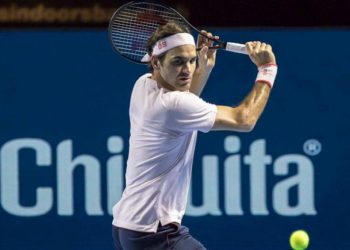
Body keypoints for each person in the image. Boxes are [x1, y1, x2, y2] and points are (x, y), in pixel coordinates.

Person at [112, 21, 277, 250]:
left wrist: (204, 68)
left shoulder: (143, 85)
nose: (188, 69)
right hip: (154, 231)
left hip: (128, 228)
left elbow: (186, 102)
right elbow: (244, 120)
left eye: (191, 60)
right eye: (178, 62)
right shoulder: (173, 105)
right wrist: (267, 68)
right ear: (155, 62)